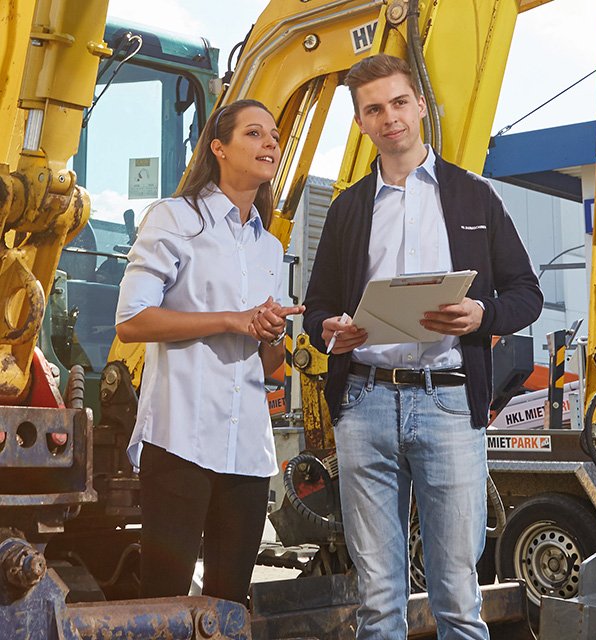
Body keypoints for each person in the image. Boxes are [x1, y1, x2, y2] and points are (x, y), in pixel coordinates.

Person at [303, 54, 543, 639]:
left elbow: (526, 294)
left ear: (420, 107)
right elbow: (316, 312)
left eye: (399, 103)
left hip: (449, 407)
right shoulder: (348, 209)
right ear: (361, 123)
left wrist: (481, 315)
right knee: (377, 599)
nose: (390, 118)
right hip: (365, 404)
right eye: (374, 109)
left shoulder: (474, 198)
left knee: (458, 595)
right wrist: (332, 329)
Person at [115, 99, 304, 604]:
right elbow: (131, 321)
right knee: (165, 604)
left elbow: (270, 367)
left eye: (275, 135)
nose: (271, 143)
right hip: (181, 438)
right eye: (254, 133)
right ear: (218, 148)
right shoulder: (173, 219)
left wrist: (269, 335)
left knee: (228, 608)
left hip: (247, 448)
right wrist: (231, 318)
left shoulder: (269, 246)